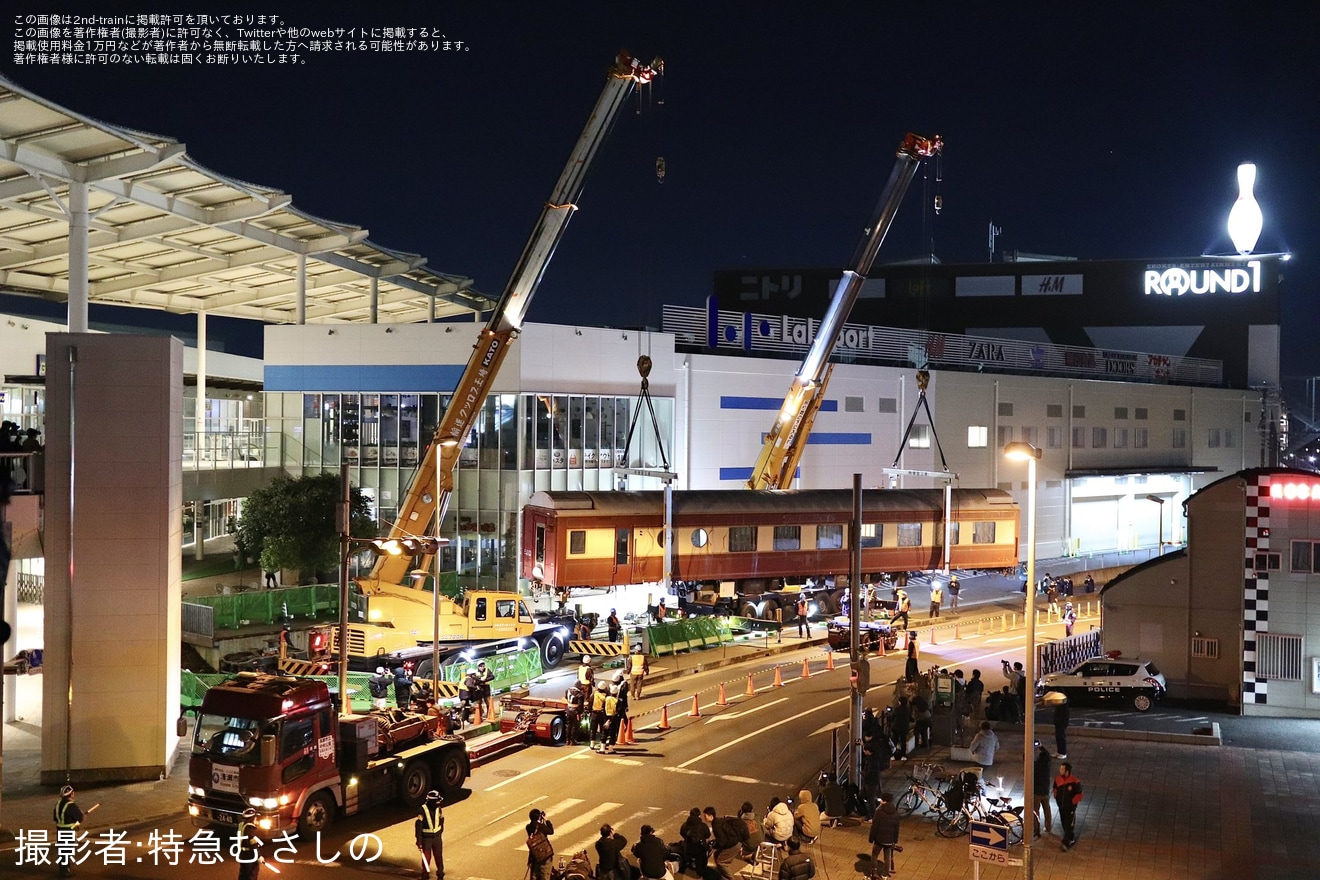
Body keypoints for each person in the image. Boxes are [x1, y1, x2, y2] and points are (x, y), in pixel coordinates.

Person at [53, 785, 86, 878]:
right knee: (67, 851)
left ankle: (62, 869)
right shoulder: (71, 805)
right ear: (71, 794)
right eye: (73, 792)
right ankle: (66, 871)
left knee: (62, 851)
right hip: (69, 831)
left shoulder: (58, 804)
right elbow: (80, 817)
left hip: (60, 830)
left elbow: (55, 818)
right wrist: (81, 818)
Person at [710, 807, 749, 880]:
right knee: (716, 854)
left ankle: (730, 878)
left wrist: (714, 845)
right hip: (735, 842)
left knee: (721, 862)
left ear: (711, 816)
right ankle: (722, 875)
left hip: (733, 844)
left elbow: (722, 842)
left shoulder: (716, 825)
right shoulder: (721, 822)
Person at [868, 791, 901, 878]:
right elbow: (897, 828)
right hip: (890, 840)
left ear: (884, 800)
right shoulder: (895, 812)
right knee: (887, 857)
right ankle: (885, 874)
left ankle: (874, 872)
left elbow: (875, 826)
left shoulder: (879, 811)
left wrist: (871, 838)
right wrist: (895, 840)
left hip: (879, 839)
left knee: (874, 855)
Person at [1053, 761, 1084, 850]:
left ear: (1067, 771)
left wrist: (1072, 804)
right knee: (1064, 822)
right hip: (1061, 806)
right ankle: (1070, 837)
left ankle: (1066, 841)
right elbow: (1055, 789)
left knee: (1069, 823)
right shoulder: (1057, 779)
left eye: (1062, 769)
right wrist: (1057, 800)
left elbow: (1079, 795)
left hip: (1069, 807)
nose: (1060, 770)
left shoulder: (1075, 781)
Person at [415, 790, 444, 880]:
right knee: (427, 857)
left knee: (438, 856)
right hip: (426, 839)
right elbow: (418, 826)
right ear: (431, 801)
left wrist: (439, 833)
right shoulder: (422, 809)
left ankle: (440, 872)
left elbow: (441, 820)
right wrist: (419, 840)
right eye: (437, 801)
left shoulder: (438, 808)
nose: (438, 802)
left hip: (437, 838)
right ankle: (425, 874)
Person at [526, 808, 556, 880]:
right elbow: (551, 831)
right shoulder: (541, 827)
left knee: (535, 876)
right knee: (544, 876)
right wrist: (546, 820)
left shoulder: (528, 827)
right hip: (545, 855)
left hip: (534, 856)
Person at [679, 806, 711, 875]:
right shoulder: (702, 825)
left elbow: (682, 833)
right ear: (699, 816)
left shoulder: (685, 825)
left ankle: (689, 862)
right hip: (700, 849)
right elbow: (708, 835)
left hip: (688, 848)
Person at [1031, 743, 1053, 839]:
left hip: (1036, 792)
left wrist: (1033, 748)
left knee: (1035, 811)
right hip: (1046, 791)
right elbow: (1047, 755)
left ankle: (1036, 828)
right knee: (1047, 810)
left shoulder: (1036, 766)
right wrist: (1041, 746)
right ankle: (1048, 827)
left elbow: (1026, 758)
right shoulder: (1047, 766)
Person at [235, 806, 262, 880]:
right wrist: (259, 856)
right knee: (251, 875)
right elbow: (253, 843)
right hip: (250, 856)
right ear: (252, 818)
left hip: (242, 854)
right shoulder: (250, 828)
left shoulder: (241, 825)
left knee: (243, 875)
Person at [564, 681, 587, 746]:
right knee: (575, 726)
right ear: (579, 685)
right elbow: (580, 705)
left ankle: (567, 740)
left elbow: (566, 697)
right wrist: (580, 712)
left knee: (568, 725)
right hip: (575, 712)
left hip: (568, 709)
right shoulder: (580, 694)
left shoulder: (568, 690)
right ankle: (573, 740)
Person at [890, 696, 911, 762]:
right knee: (903, 741)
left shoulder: (897, 709)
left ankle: (893, 755)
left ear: (899, 702)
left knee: (894, 741)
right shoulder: (907, 710)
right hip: (904, 728)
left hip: (896, 727)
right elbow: (910, 718)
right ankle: (903, 756)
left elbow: (892, 717)